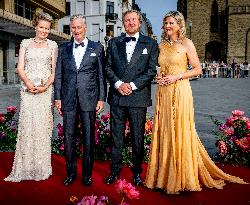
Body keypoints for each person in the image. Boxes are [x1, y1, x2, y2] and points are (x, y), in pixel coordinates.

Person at [145, 11, 247, 194]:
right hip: (164, 92)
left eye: (171, 23)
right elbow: (160, 68)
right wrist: (159, 76)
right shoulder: (161, 45)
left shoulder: (186, 43)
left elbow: (198, 69)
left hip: (181, 90)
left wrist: (177, 76)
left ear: (179, 25)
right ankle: (165, 175)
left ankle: (182, 176)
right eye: (165, 23)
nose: (167, 26)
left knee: (180, 130)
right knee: (166, 130)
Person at [105, 10, 158, 186]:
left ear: (139, 22)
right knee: (116, 137)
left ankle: (136, 172)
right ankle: (114, 171)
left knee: (137, 137)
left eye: (133, 20)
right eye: (127, 20)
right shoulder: (113, 42)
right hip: (117, 97)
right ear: (123, 23)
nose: (130, 23)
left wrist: (132, 86)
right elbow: (107, 68)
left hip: (137, 97)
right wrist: (119, 84)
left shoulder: (150, 43)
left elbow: (151, 70)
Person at [4, 12, 58, 182]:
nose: (44, 31)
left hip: (44, 92)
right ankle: (25, 167)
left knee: (42, 128)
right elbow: (20, 68)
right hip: (27, 91)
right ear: (35, 26)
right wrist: (28, 83)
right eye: (41, 27)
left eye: (47, 28)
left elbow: (54, 72)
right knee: (28, 127)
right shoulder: (25, 43)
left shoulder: (53, 45)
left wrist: (44, 87)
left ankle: (41, 167)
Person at [54, 14, 105, 186]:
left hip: (89, 99)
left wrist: (101, 98)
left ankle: (87, 174)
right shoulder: (63, 48)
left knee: (88, 138)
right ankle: (70, 173)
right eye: (73, 28)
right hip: (67, 99)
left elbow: (101, 75)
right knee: (68, 137)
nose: (76, 30)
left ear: (85, 28)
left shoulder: (97, 48)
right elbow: (59, 75)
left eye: (79, 27)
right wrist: (58, 98)